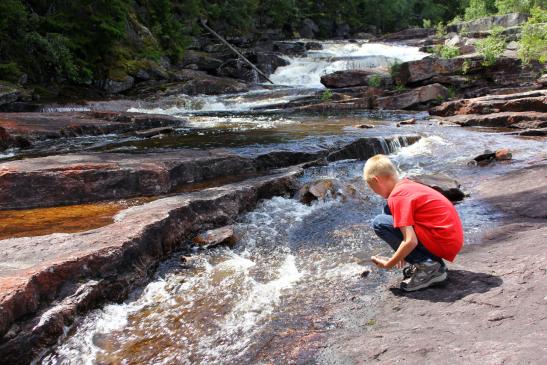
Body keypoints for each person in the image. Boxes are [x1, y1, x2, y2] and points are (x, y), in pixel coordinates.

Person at [363, 154, 464, 291]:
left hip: (442, 241)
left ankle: (428, 266)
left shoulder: (397, 196)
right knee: (388, 210)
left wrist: (389, 263)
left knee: (379, 222)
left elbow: (410, 241)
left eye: (373, 188)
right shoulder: (406, 185)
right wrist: (401, 252)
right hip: (449, 238)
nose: (376, 193)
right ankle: (431, 263)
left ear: (377, 180)